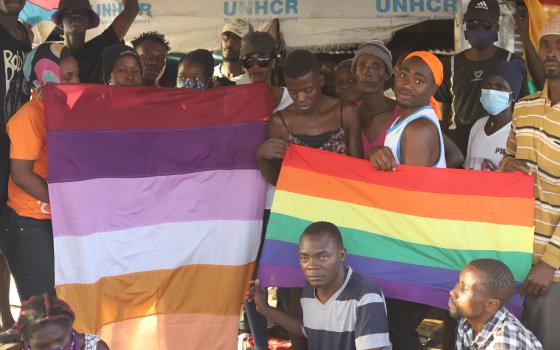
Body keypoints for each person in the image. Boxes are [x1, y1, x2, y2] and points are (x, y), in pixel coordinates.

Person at [369, 51, 445, 350]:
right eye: (404, 75)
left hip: (413, 247)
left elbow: (410, 200)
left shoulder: (418, 129)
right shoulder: (409, 120)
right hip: (407, 243)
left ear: (432, 89)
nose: (408, 84)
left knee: (397, 329)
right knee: (394, 328)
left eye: (419, 80)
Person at [0, 43, 79, 304]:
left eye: (76, 75)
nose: (75, 82)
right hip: (29, 224)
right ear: (46, 77)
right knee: (43, 314)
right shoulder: (30, 117)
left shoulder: (66, 112)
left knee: (61, 306)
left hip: (52, 221)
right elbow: (22, 175)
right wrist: (64, 204)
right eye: (66, 77)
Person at [499, 15, 560, 349]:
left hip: (552, 269)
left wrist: (550, 264)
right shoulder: (524, 108)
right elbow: (506, 157)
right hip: (517, 255)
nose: (551, 52)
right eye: (545, 45)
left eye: (559, 45)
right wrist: (507, 165)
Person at [247, 221, 391, 350]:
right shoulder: (310, 290)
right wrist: (264, 308)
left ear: (341, 255)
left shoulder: (366, 295)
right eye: (305, 258)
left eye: (322, 257)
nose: (311, 266)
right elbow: (308, 328)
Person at [239, 30, 293, 350]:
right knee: (250, 281)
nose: (256, 66)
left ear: (275, 61)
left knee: (288, 281)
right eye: (249, 60)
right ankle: (260, 345)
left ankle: (295, 341)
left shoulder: (293, 96)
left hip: (285, 203)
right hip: (245, 205)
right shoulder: (231, 96)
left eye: (263, 58)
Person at [256, 49, 363, 186]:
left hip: (342, 203)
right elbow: (278, 181)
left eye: (308, 90)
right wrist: (262, 158)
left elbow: (358, 170)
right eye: (293, 92)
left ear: (321, 80)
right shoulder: (280, 123)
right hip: (299, 205)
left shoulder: (346, 113)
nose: (301, 99)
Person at [436, 0, 528, 156]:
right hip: (458, 146)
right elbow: (444, 109)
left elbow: (522, 108)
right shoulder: (450, 64)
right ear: (465, 25)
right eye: (472, 23)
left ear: (497, 27)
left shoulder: (512, 62)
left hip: (499, 149)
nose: (479, 29)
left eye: (486, 24)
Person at [0, 0, 32, 331]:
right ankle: (6, 317)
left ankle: (22, 313)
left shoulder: (25, 33)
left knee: (12, 229)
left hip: (18, 142)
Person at [449, 259, 543, 349]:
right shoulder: (466, 319)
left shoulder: (504, 343)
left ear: (491, 304)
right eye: (458, 282)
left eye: (465, 289)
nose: (453, 292)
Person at [51, 0, 139, 83]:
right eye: (69, 11)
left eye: (82, 12)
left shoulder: (100, 47)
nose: (76, 15)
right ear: (60, 22)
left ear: (89, 21)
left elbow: (132, 10)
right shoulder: (49, 55)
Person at [464, 60, 524, 170]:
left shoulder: (519, 133)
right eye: (487, 85)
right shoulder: (477, 126)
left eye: (500, 87)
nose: (491, 91)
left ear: (512, 96)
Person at [15, 294, 109, 350]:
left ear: (70, 329)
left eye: (60, 340)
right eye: (42, 347)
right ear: (27, 341)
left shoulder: (95, 347)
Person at [353, 41, 397, 159]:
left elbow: (452, 154)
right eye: (362, 66)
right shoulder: (348, 112)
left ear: (387, 74)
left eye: (376, 66)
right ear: (355, 73)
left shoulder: (402, 114)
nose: (367, 72)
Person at [213, 18, 253, 85]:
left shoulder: (253, 83)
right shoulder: (206, 76)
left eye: (238, 38)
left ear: (249, 46)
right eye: (226, 36)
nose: (230, 42)